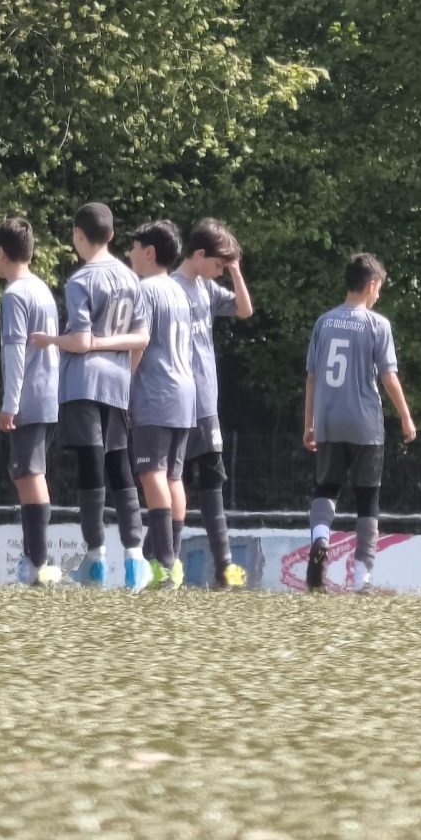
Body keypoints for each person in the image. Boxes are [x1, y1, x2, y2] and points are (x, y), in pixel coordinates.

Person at [43, 202, 149, 588]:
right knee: (120, 467)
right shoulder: (131, 279)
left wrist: (50, 339)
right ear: (113, 235)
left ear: (78, 235)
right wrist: (122, 366)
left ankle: (95, 558)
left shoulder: (80, 281)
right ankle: (135, 559)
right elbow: (141, 337)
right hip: (117, 383)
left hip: (83, 384)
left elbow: (82, 340)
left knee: (90, 468)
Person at [302, 253, 416, 595]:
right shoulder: (376, 325)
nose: (378, 295)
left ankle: (320, 539)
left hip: (329, 421)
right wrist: (406, 415)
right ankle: (361, 578)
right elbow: (388, 376)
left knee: (326, 488)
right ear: (370, 286)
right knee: (368, 499)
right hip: (364, 425)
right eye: (379, 288)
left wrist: (310, 423)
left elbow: (312, 377)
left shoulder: (323, 322)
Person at [177, 220, 253, 588]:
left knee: (211, 483)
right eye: (219, 265)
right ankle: (161, 560)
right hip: (173, 402)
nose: (220, 272)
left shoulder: (207, 289)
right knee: (172, 482)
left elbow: (244, 310)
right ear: (201, 254)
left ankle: (224, 567)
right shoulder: (169, 288)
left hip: (205, 402)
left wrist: (235, 270)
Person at [123, 221, 198, 589]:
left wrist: (124, 385)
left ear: (149, 252)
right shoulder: (180, 291)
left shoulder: (145, 289)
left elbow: (140, 342)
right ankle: (170, 557)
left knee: (151, 472)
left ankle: (164, 564)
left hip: (156, 392)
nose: (130, 254)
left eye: (134, 247)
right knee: (172, 476)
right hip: (185, 393)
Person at [0, 216, 61, 586]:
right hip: (49, 393)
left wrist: (10, 403)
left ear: (1, 253)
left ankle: (38, 562)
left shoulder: (16, 294)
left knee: (29, 474)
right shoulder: (42, 290)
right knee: (29, 473)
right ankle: (37, 558)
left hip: (30, 397)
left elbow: (15, 351)